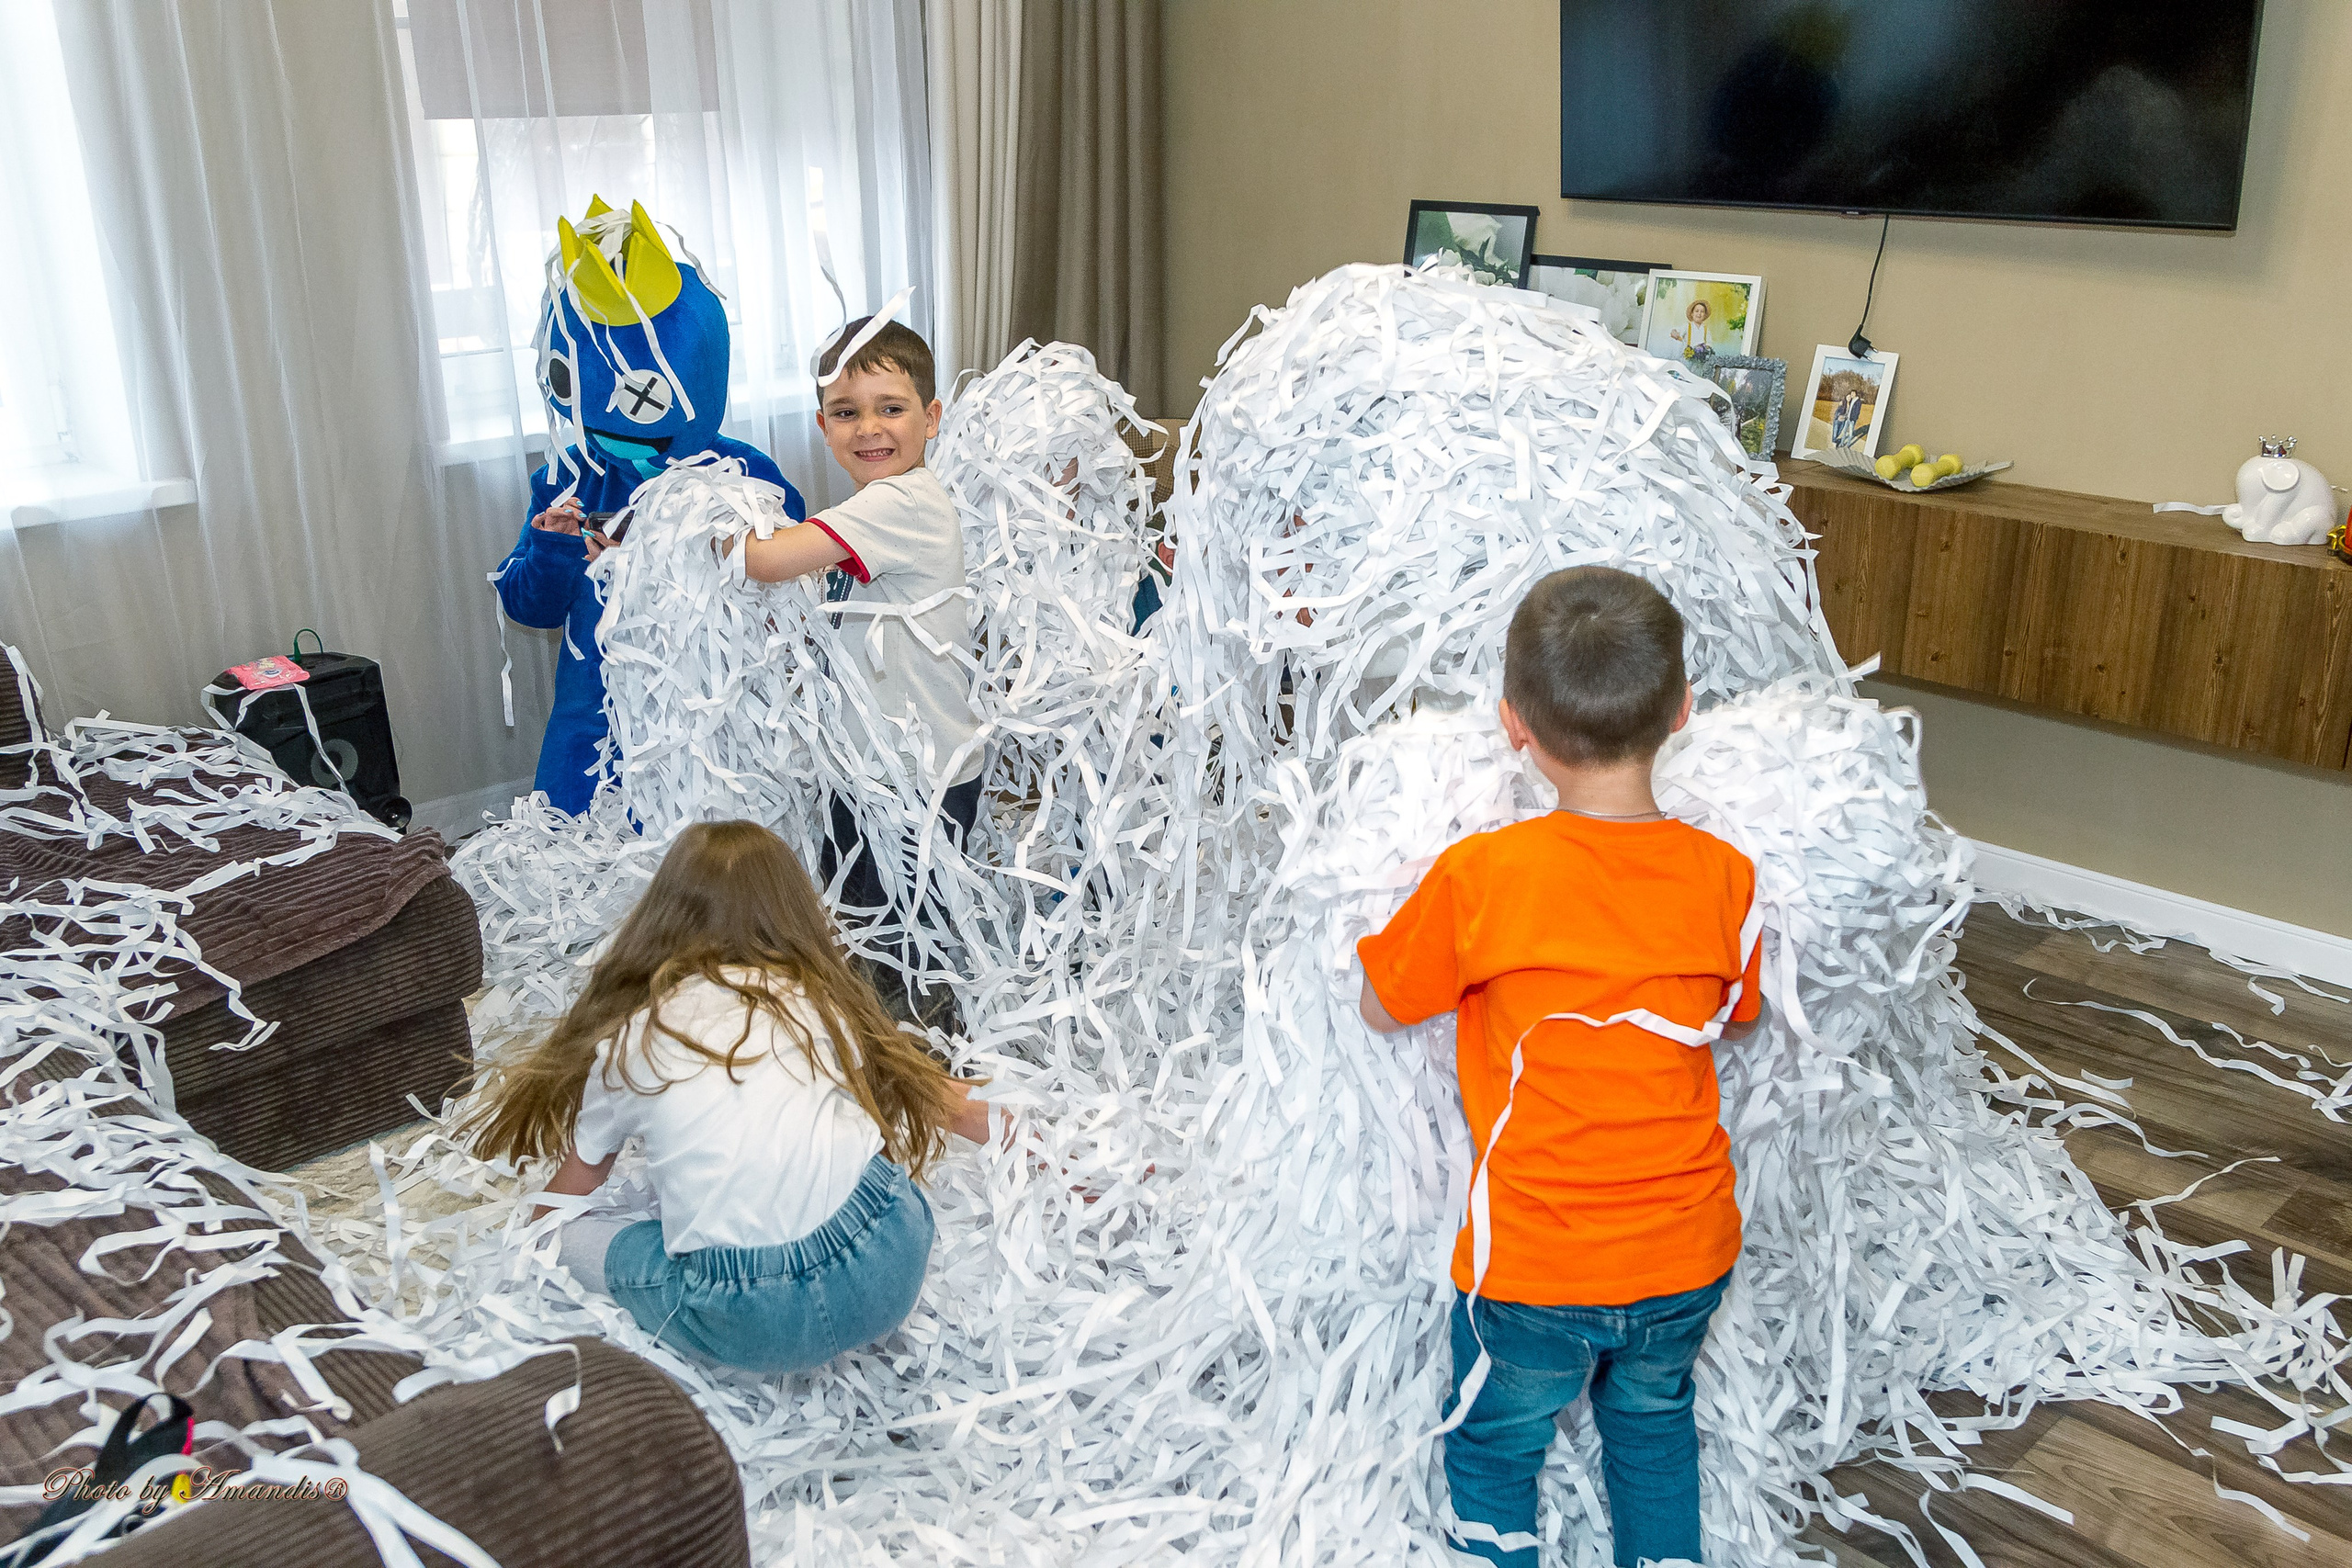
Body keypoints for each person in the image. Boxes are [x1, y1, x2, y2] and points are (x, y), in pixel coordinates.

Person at [1356, 567, 1761, 1568]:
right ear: (1681, 711)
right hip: (1686, 1258)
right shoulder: (1729, 876)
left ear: (1511, 727)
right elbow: (1735, 1018)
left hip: (1532, 1273)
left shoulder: (1481, 877)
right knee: (1657, 1433)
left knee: (1494, 1454)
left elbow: (1379, 1004)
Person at [461, 820, 991, 1375]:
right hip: (890, 1254)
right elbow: (930, 1095)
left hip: (748, 1316)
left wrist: (527, 1243)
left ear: (659, 922)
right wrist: (1024, 1133)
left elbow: (571, 1193)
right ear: (797, 914)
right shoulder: (814, 999)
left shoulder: (630, 1041)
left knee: (566, 1237)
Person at [493, 197, 801, 815]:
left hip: (711, 723)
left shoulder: (744, 474)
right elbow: (530, 605)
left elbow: (790, 595)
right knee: (579, 864)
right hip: (594, 719)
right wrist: (554, 546)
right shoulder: (566, 477)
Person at [728, 316, 981, 1003]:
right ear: (823, 425)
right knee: (866, 929)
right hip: (873, 771)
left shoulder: (901, 503)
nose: (868, 427)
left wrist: (682, 528)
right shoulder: (876, 505)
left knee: (906, 946)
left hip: (915, 778)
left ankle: (923, 1076)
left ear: (931, 418)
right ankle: (883, 1048)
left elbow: (767, 559)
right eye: (847, 412)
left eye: (890, 408)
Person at [1669, 297, 1715, 361]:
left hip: (1700, 360)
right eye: (1697, 311)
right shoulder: (1687, 326)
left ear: (1705, 315)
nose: (1699, 314)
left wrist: (1706, 349)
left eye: (1702, 312)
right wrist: (1674, 333)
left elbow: (1709, 343)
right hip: (1687, 358)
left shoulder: (1706, 329)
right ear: (1692, 314)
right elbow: (1676, 331)